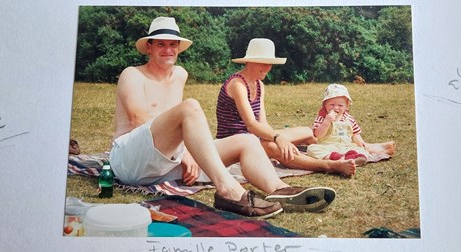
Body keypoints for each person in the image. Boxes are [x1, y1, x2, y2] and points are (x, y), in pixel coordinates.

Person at [109, 17, 336, 218]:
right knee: (190, 107)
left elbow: (173, 126)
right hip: (131, 163)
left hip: (164, 166)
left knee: (246, 140)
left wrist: (187, 152)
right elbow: (139, 120)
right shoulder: (132, 74)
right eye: (161, 44)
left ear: (179, 48)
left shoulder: (179, 74)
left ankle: (280, 190)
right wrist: (184, 151)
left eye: (172, 44)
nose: (168, 49)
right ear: (149, 47)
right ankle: (228, 190)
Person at [216, 38, 357, 177]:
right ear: (250, 61)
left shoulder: (259, 85)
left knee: (307, 132)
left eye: (270, 64)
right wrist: (278, 139)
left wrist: (275, 138)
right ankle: (329, 165)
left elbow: (262, 122)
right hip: (235, 141)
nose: (268, 68)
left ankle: (338, 150)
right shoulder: (237, 84)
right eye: (263, 63)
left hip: (254, 136)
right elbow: (251, 124)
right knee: (274, 147)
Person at [307, 84, 396, 163]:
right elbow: (318, 135)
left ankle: (354, 158)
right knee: (312, 149)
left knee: (361, 149)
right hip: (327, 147)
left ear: (346, 106)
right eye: (332, 104)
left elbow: (355, 134)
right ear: (324, 105)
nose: (336, 107)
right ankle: (335, 157)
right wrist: (327, 121)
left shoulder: (349, 119)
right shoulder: (322, 118)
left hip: (346, 147)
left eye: (340, 105)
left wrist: (361, 143)